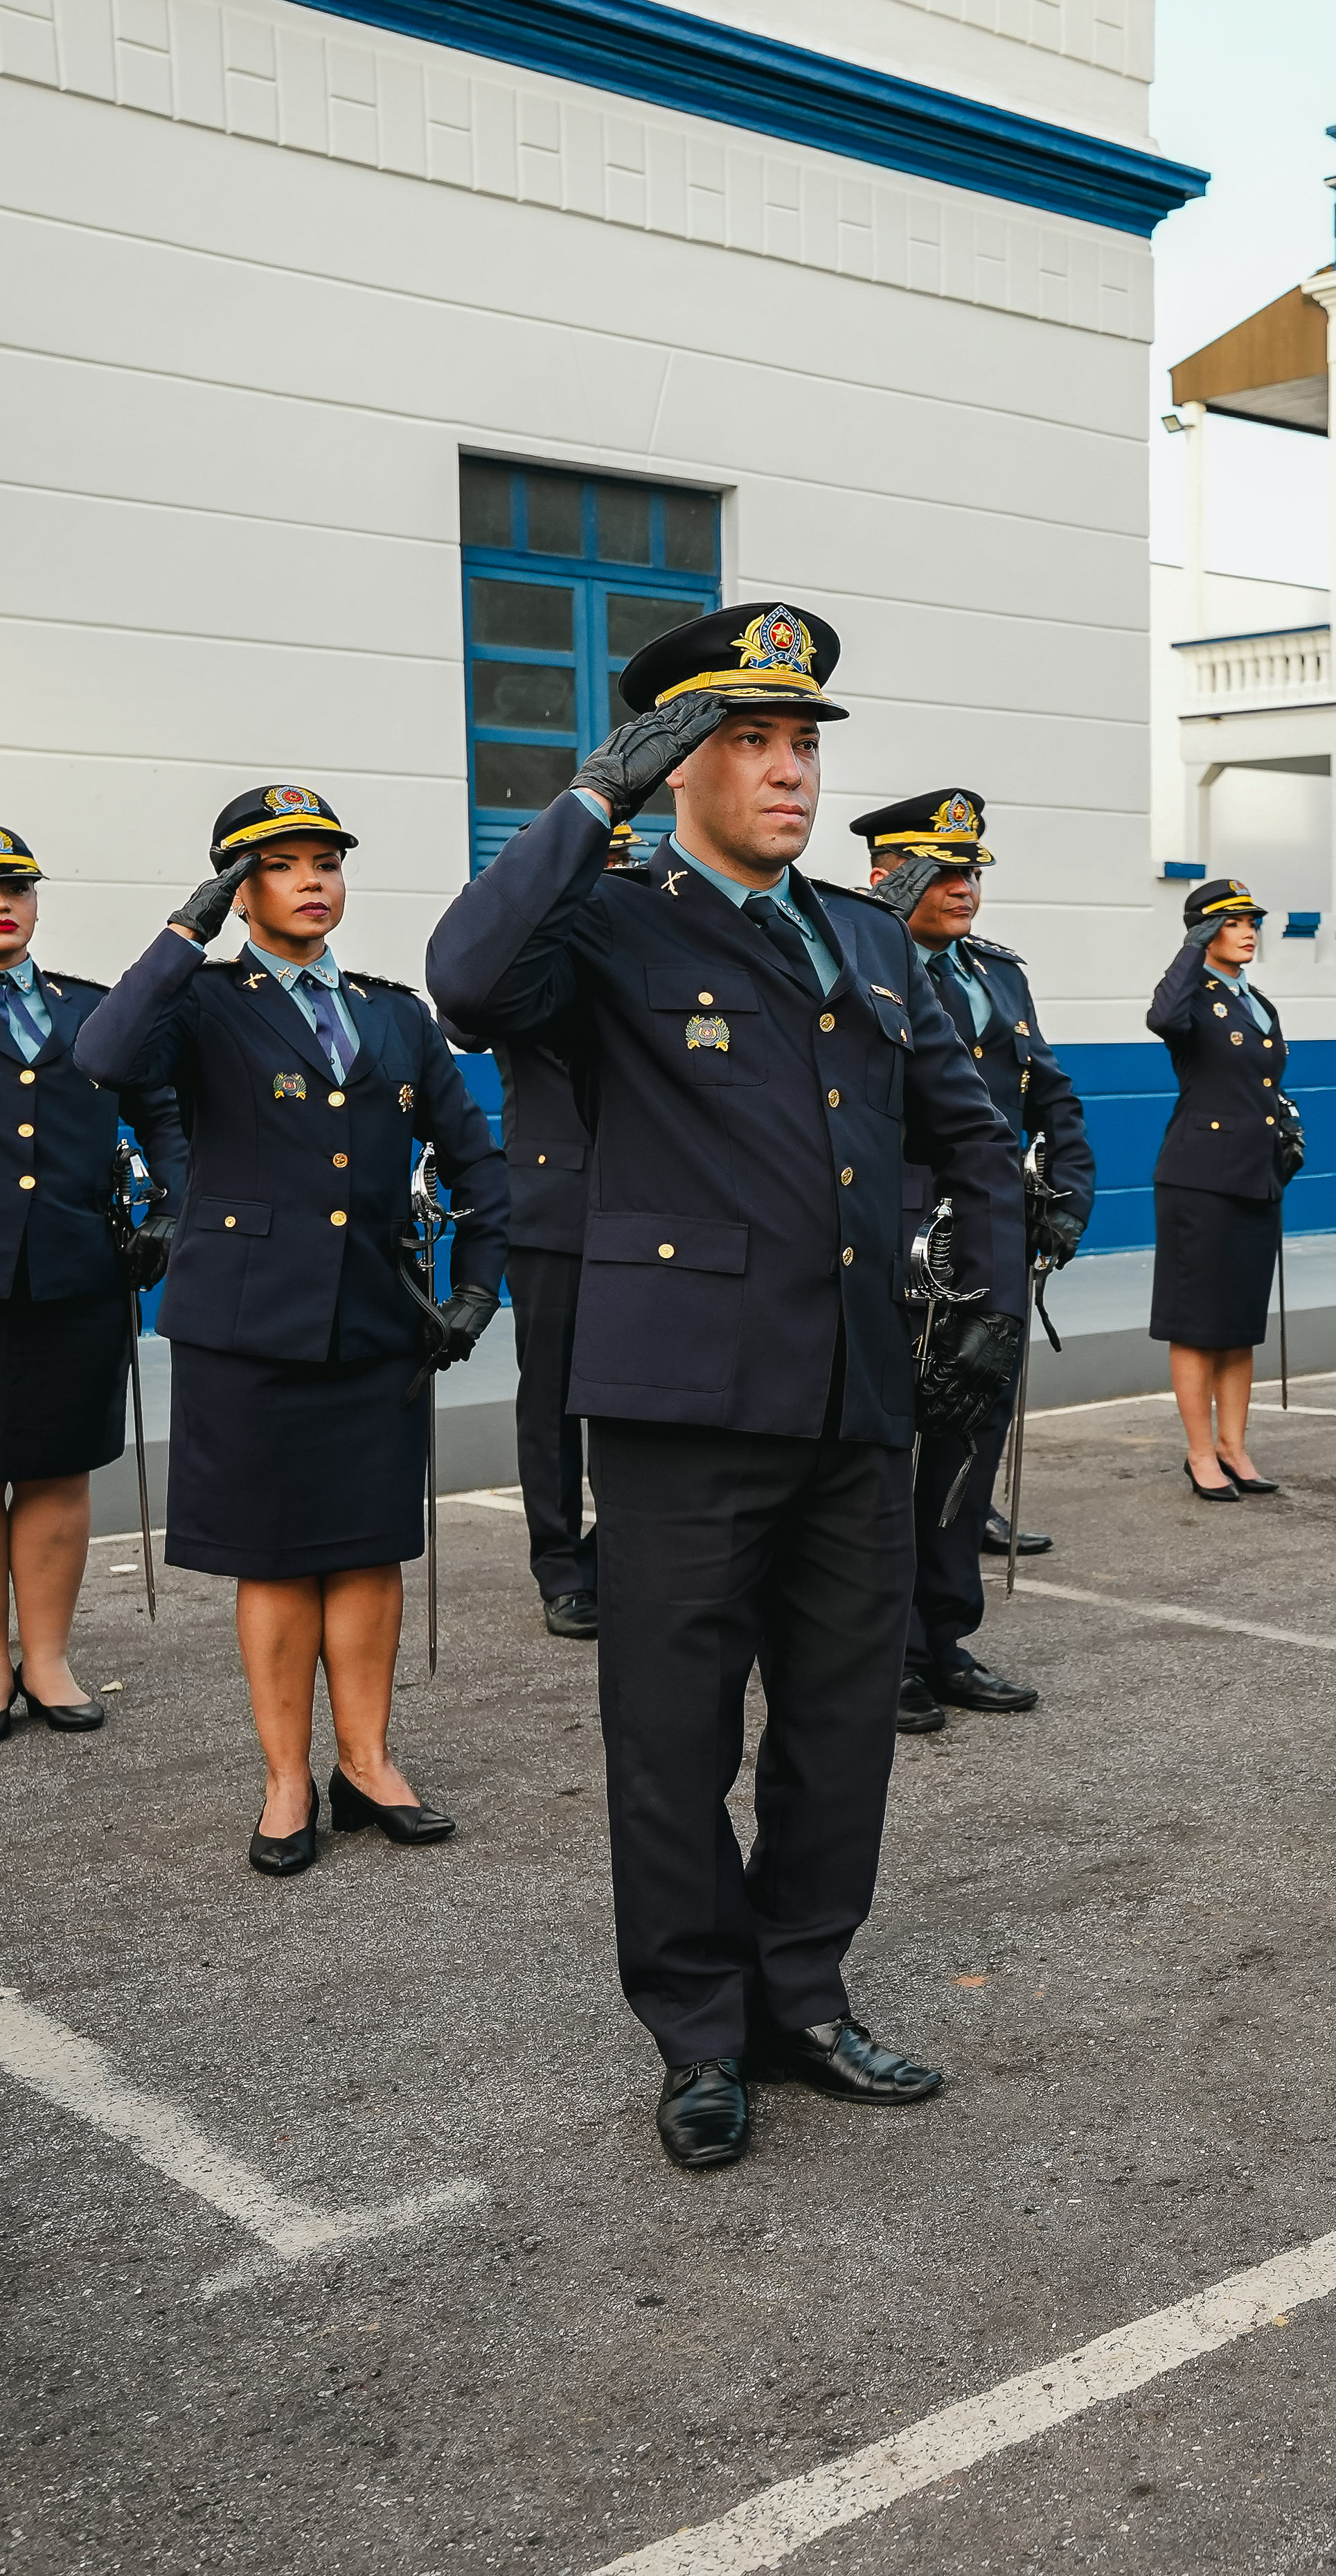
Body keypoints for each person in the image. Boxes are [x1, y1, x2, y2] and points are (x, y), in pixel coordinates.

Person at [428, 603, 1025, 2170]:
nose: (787, 771)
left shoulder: (867, 932)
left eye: (803, 742)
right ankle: (698, 2032)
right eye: (749, 740)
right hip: (684, 1403)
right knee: (672, 1734)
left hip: (852, 1394)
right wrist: (585, 800)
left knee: (840, 1725)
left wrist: (990, 1303)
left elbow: (968, 1132)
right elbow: (468, 981)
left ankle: (804, 1993)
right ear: (680, 759)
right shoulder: (613, 920)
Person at [78, 786, 505, 1869]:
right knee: (273, 1562)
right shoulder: (201, 1004)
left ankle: (366, 1764)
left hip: (374, 1322)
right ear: (239, 885)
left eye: (327, 860)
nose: (315, 880)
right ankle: (284, 1780)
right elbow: (106, 1056)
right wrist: (187, 931)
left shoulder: (394, 1012)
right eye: (282, 865)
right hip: (249, 1326)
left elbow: (476, 1163)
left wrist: (477, 1291)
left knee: (366, 1554)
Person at [864, 790, 1094, 1731]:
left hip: (989, 1242)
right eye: (939, 870)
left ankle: (944, 1637)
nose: (963, 889)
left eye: (972, 872)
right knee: (883, 1459)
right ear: (886, 875)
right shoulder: (851, 961)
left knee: (965, 1452)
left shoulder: (999, 977)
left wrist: (1070, 1193)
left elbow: (1054, 1098)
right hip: (894, 1240)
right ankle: (883, 1656)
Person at [0, 826, 184, 1746]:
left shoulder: (94, 1011)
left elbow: (165, 1111)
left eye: (15, 886)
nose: (0, 903)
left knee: (57, 1470)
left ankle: (47, 1657)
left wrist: (175, 1205)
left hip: (77, 1272)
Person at [482, 815, 641, 1645]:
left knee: (638, 1396)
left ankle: (622, 1552)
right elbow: (468, 1014)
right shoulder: (519, 962)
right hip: (551, 1211)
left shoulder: (640, 952)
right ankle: (560, 1565)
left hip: (644, 1208)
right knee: (551, 1400)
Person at [1146, 872, 1288, 1508]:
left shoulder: (1257, 1001)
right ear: (1205, 930)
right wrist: (1189, 950)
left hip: (1255, 1178)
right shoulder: (1193, 996)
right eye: (1233, 922)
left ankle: (1234, 1444)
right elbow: (1161, 1017)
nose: (1249, 931)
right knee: (1197, 1322)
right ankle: (1200, 1451)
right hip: (1200, 1180)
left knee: (1238, 1323)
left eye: (1252, 921)